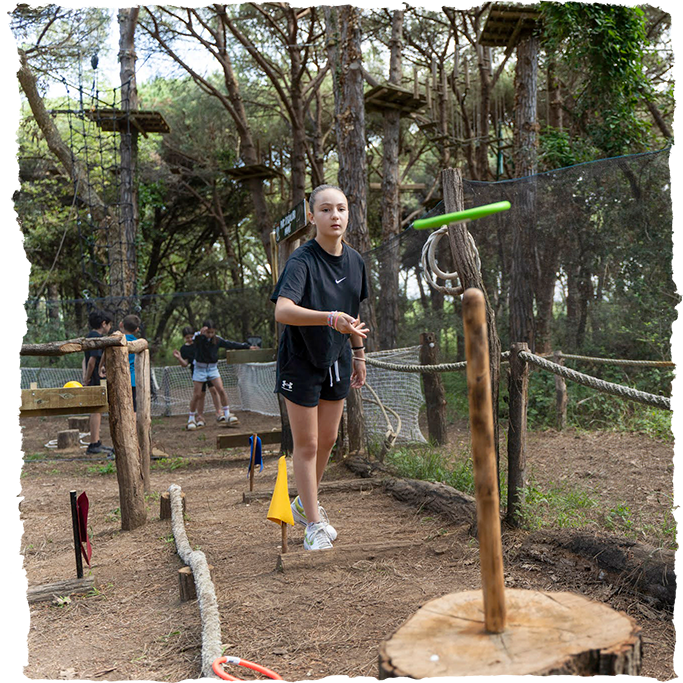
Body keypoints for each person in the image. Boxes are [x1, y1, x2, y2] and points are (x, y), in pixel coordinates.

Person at [271, 184, 369, 551]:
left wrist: (358, 354)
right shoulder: (302, 260)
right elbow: (283, 310)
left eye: (341, 209)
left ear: (349, 214)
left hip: (338, 359)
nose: (335, 216)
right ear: (312, 217)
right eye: (326, 210)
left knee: (328, 440)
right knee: (308, 443)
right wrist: (329, 319)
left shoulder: (356, 261)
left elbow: (353, 314)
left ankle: (302, 503)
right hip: (301, 361)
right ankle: (313, 524)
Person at [189, 320, 258, 428]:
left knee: (220, 389)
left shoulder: (217, 340)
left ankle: (226, 413)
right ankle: (191, 418)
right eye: (208, 332)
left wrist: (247, 346)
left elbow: (230, 344)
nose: (210, 335)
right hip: (200, 368)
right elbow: (194, 340)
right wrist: (200, 334)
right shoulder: (199, 339)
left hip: (212, 368)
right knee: (197, 394)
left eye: (212, 332)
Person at [172, 326, 223, 430]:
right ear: (184, 338)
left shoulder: (199, 343)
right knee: (200, 394)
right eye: (187, 338)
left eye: (191, 337)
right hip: (196, 372)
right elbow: (185, 364)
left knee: (214, 389)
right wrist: (179, 358)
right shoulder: (185, 348)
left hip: (207, 369)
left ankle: (219, 412)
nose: (190, 339)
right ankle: (199, 416)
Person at [82, 309, 115, 456]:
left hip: (93, 378)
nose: (110, 328)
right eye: (109, 325)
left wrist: (84, 377)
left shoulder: (89, 336)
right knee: (96, 410)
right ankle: (94, 443)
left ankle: (96, 441)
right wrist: (88, 378)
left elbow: (84, 359)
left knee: (97, 410)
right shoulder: (97, 337)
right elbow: (91, 361)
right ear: (104, 323)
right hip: (96, 379)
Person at [119, 314, 141, 412]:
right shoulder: (138, 343)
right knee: (133, 407)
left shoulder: (117, 341)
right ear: (137, 329)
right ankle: (133, 427)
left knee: (121, 406)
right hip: (133, 380)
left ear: (121, 324)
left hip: (119, 379)